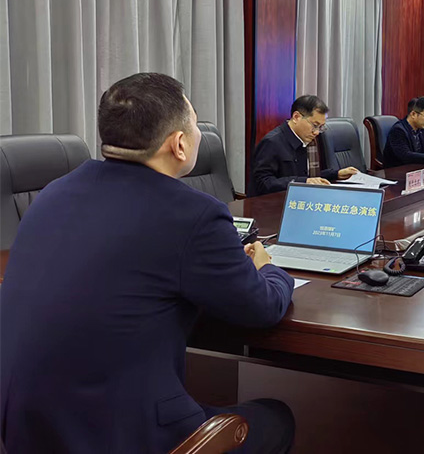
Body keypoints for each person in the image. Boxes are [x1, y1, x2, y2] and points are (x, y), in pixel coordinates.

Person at [1, 73, 295, 453]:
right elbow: (261, 308)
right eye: (195, 123)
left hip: (26, 430)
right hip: (117, 435)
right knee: (276, 418)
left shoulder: (53, 192)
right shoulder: (194, 214)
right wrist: (268, 268)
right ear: (179, 144)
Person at [250, 95, 359, 195]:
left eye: (321, 127)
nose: (317, 132)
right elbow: (263, 183)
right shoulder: (272, 142)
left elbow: (307, 176)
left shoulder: (306, 140)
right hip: (272, 204)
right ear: (296, 117)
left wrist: (336, 174)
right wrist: (303, 182)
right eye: (315, 125)